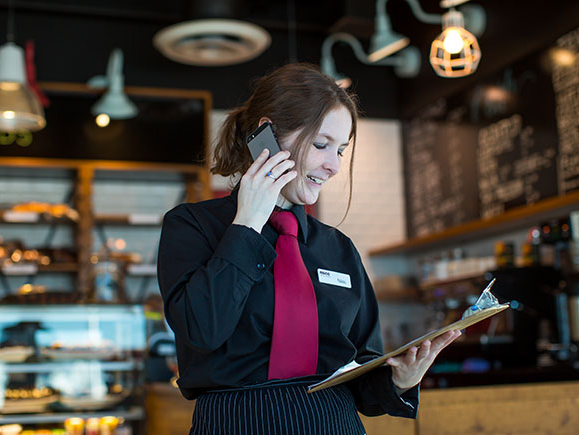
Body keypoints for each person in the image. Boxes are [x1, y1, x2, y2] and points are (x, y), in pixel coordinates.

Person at [157, 63, 460, 435]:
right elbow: (202, 329)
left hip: (334, 423)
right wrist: (248, 224)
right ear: (266, 135)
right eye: (320, 145)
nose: (333, 166)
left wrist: (400, 379)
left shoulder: (339, 249)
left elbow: (363, 379)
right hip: (234, 423)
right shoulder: (192, 226)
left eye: (341, 150)